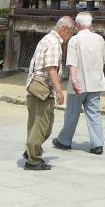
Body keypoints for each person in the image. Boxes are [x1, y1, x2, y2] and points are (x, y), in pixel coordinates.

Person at [53, 12, 105, 155]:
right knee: (94, 113)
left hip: (79, 82)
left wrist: (73, 79)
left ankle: (65, 140)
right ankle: (97, 144)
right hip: (95, 82)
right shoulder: (99, 39)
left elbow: (72, 63)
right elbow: (104, 59)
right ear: (90, 24)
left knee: (72, 113)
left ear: (78, 25)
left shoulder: (75, 40)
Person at [23, 16, 74, 171]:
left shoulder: (47, 39)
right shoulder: (54, 43)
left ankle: (30, 152)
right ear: (64, 29)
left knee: (37, 125)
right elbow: (51, 68)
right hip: (42, 89)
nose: (70, 36)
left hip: (36, 88)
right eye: (71, 33)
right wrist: (59, 90)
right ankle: (33, 160)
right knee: (42, 126)